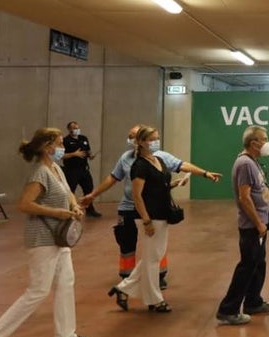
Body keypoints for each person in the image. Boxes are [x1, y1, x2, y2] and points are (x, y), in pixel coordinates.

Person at [0, 128, 91, 337]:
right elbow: (24, 205)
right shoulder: (39, 173)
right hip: (43, 239)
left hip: (60, 238)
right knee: (38, 291)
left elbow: (68, 194)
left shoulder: (56, 169)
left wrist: (74, 207)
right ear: (48, 147)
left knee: (66, 284)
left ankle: (66, 336)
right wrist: (56, 212)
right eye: (59, 144)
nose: (63, 148)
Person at [82, 124, 220, 289]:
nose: (132, 139)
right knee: (126, 243)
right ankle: (127, 278)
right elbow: (113, 178)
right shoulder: (127, 158)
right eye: (130, 136)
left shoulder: (160, 158)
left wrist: (204, 173)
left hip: (152, 209)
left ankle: (158, 275)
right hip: (128, 208)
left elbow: (182, 165)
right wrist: (93, 195)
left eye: (156, 139)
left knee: (156, 245)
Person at [108, 126, 186, 313]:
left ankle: (123, 288)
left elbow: (159, 185)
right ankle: (154, 299)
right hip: (150, 216)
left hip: (162, 214)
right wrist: (146, 220)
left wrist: (174, 183)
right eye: (152, 139)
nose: (156, 142)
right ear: (141, 142)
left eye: (157, 138)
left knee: (154, 256)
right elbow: (137, 195)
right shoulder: (139, 165)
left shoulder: (158, 160)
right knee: (152, 260)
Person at [216, 125, 269, 325]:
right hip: (252, 226)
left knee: (259, 263)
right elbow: (244, 197)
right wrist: (258, 223)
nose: (267, 142)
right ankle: (228, 309)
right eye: (264, 139)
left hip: (260, 224)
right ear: (254, 143)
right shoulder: (244, 164)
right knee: (247, 266)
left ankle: (253, 301)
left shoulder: (253, 162)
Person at [61, 121, 100, 217]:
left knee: (89, 189)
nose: (76, 129)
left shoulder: (83, 138)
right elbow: (61, 156)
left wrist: (91, 156)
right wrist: (74, 154)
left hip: (84, 169)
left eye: (77, 127)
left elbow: (88, 151)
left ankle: (90, 209)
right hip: (71, 170)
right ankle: (70, 209)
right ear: (69, 129)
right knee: (70, 190)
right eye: (74, 128)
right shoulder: (65, 141)